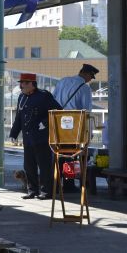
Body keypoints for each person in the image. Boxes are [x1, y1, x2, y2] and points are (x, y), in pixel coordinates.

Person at [9, 73, 62, 200]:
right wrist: (14, 133)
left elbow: (58, 111)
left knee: (44, 166)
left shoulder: (44, 96)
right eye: (21, 83)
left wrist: (45, 123)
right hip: (28, 138)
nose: (22, 85)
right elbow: (19, 118)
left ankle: (46, 191)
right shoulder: (22, 97)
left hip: (41, 137)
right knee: (29, 166)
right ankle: (32, 190)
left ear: (33, 84)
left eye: (25, 83)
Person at [53, 63, 99, 192]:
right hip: (72, 125)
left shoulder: (63, 81)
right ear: (86, 74)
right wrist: (88, 131)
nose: (90, 79)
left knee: (57, 154)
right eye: (91, 76)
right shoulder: (84, 88)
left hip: (57, 122)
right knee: (71, 155)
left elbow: (53, 99)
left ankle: (55, 184)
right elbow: (86, 111)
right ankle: (69, 185)